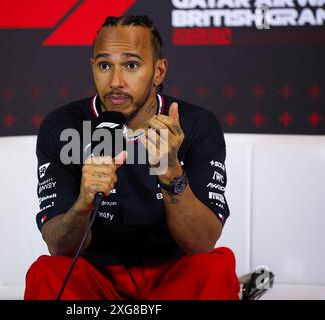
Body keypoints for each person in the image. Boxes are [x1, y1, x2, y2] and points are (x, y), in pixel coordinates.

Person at [24, 15, 240, 300]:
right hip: (96, 278)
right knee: (45, 272)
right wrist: (82, 204)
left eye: (131, 65)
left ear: (158, 71)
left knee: (216, 267)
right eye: (104, 65)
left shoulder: (195, 125)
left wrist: (171, 171)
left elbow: (202, 243)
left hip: (172, 277)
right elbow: (58, 246)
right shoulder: (64, 127)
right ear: (92, 68)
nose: (116, 81)